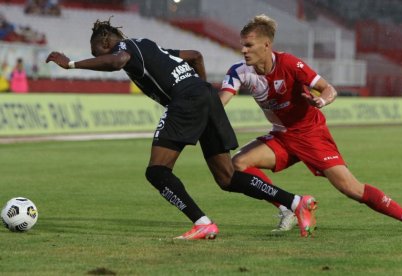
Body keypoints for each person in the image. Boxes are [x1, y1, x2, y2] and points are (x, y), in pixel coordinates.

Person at [45, 18, 318, 240]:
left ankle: (202, 223)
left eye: (97, 54)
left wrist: (71, 64)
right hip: (206, 96)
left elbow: (116, 61)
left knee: (157, 171)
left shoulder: (123, 50)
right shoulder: (149, 46)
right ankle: (295, 202)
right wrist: (200, 93)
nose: (99, 59)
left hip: (187, 100)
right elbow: (196, 55)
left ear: (106, 41)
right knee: (227, 178)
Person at [219, 14, 402, 234]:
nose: (243, 50)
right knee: (238, 164)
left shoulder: (291, 64)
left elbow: (329, 89)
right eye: (242, 45)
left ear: (266, 45)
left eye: (249, 45)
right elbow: (223, 100)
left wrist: (321, 100)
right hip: (282, 136)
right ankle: (287, 207)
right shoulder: (240, 71)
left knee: (351, 188)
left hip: (311, 134)